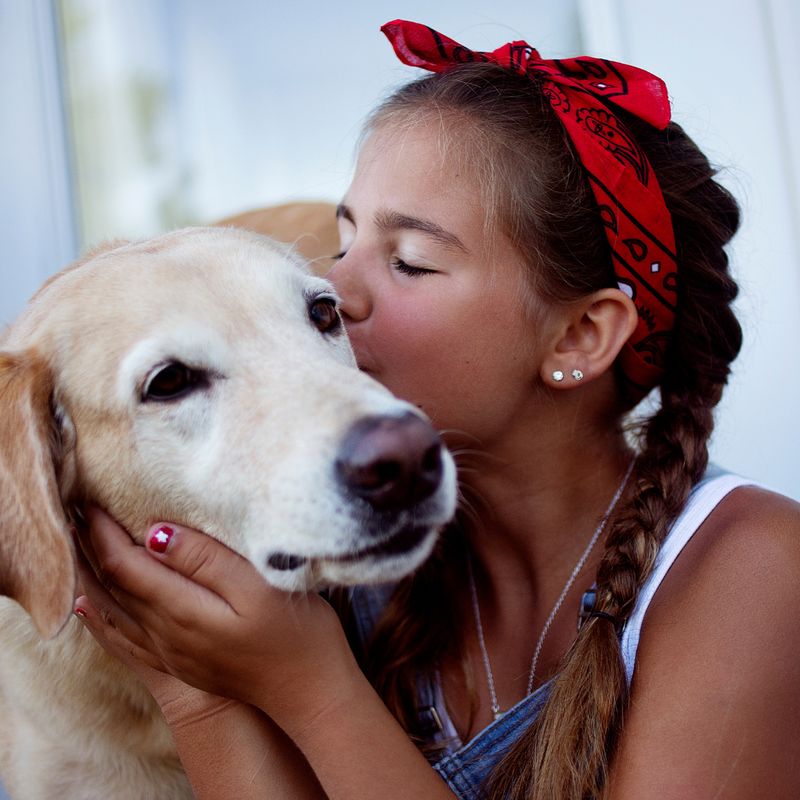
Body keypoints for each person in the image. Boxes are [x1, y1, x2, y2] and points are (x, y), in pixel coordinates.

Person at [73, 19, 800, 800]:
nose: (334, 296)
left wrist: (309, 687)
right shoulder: (347, 550)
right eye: (342, 244)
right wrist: (196, 685)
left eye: (408, 262)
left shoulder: (755, 570)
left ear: (580, 336)